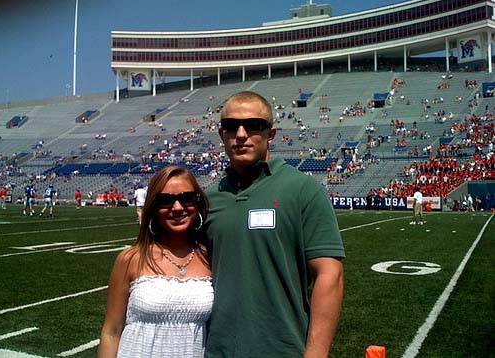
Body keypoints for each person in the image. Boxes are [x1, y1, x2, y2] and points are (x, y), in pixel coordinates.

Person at [204, 91, 345, 357]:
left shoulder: (303, 189)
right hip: (217, 351)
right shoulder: (209, 199)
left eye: (254, 125)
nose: (242, 134)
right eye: (231, 126)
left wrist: (316, 354)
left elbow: (330, 275)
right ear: (222, 135)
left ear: (271, 134)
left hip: (284, 350)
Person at [98, 166, 213, 358]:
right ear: (153, 206)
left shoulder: (211, 257)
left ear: (197, 202)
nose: (177, 208)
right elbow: (111, 332)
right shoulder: (131, 259)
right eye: (165, 201)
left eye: (186, 198)